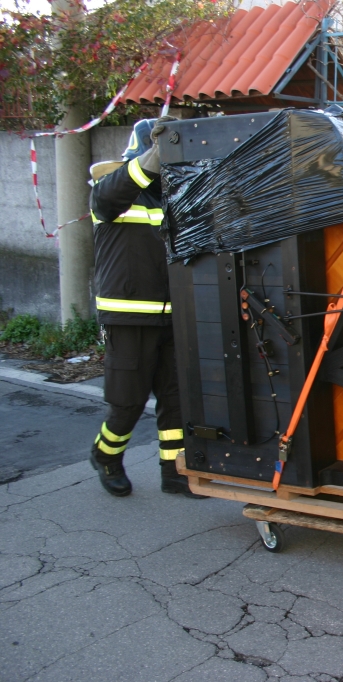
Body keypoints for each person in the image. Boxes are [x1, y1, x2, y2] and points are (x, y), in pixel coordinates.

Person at [88, 117, 204, 499]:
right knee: (128, 400)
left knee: (175, 400)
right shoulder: (111, 193)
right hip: (128, 318)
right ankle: (105, 455)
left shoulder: (176, 197)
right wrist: (156, 153)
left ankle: (174, 472)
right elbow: (113, 193)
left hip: (174, 317)